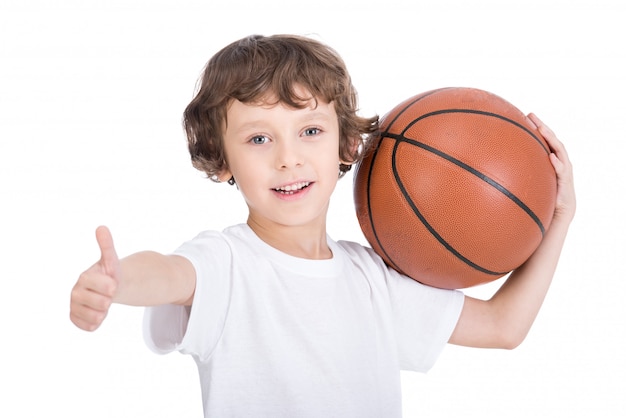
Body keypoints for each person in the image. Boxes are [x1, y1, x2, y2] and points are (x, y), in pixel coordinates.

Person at [69, 34, 576, 417]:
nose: (288, 159)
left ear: (347, 147)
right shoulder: (226, 263)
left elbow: (504, 327)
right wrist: (117, 282)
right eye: (259, 140)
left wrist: (559, 218)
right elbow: (169, 274)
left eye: (310, 131)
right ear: (221, 161)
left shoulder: (373, 280)